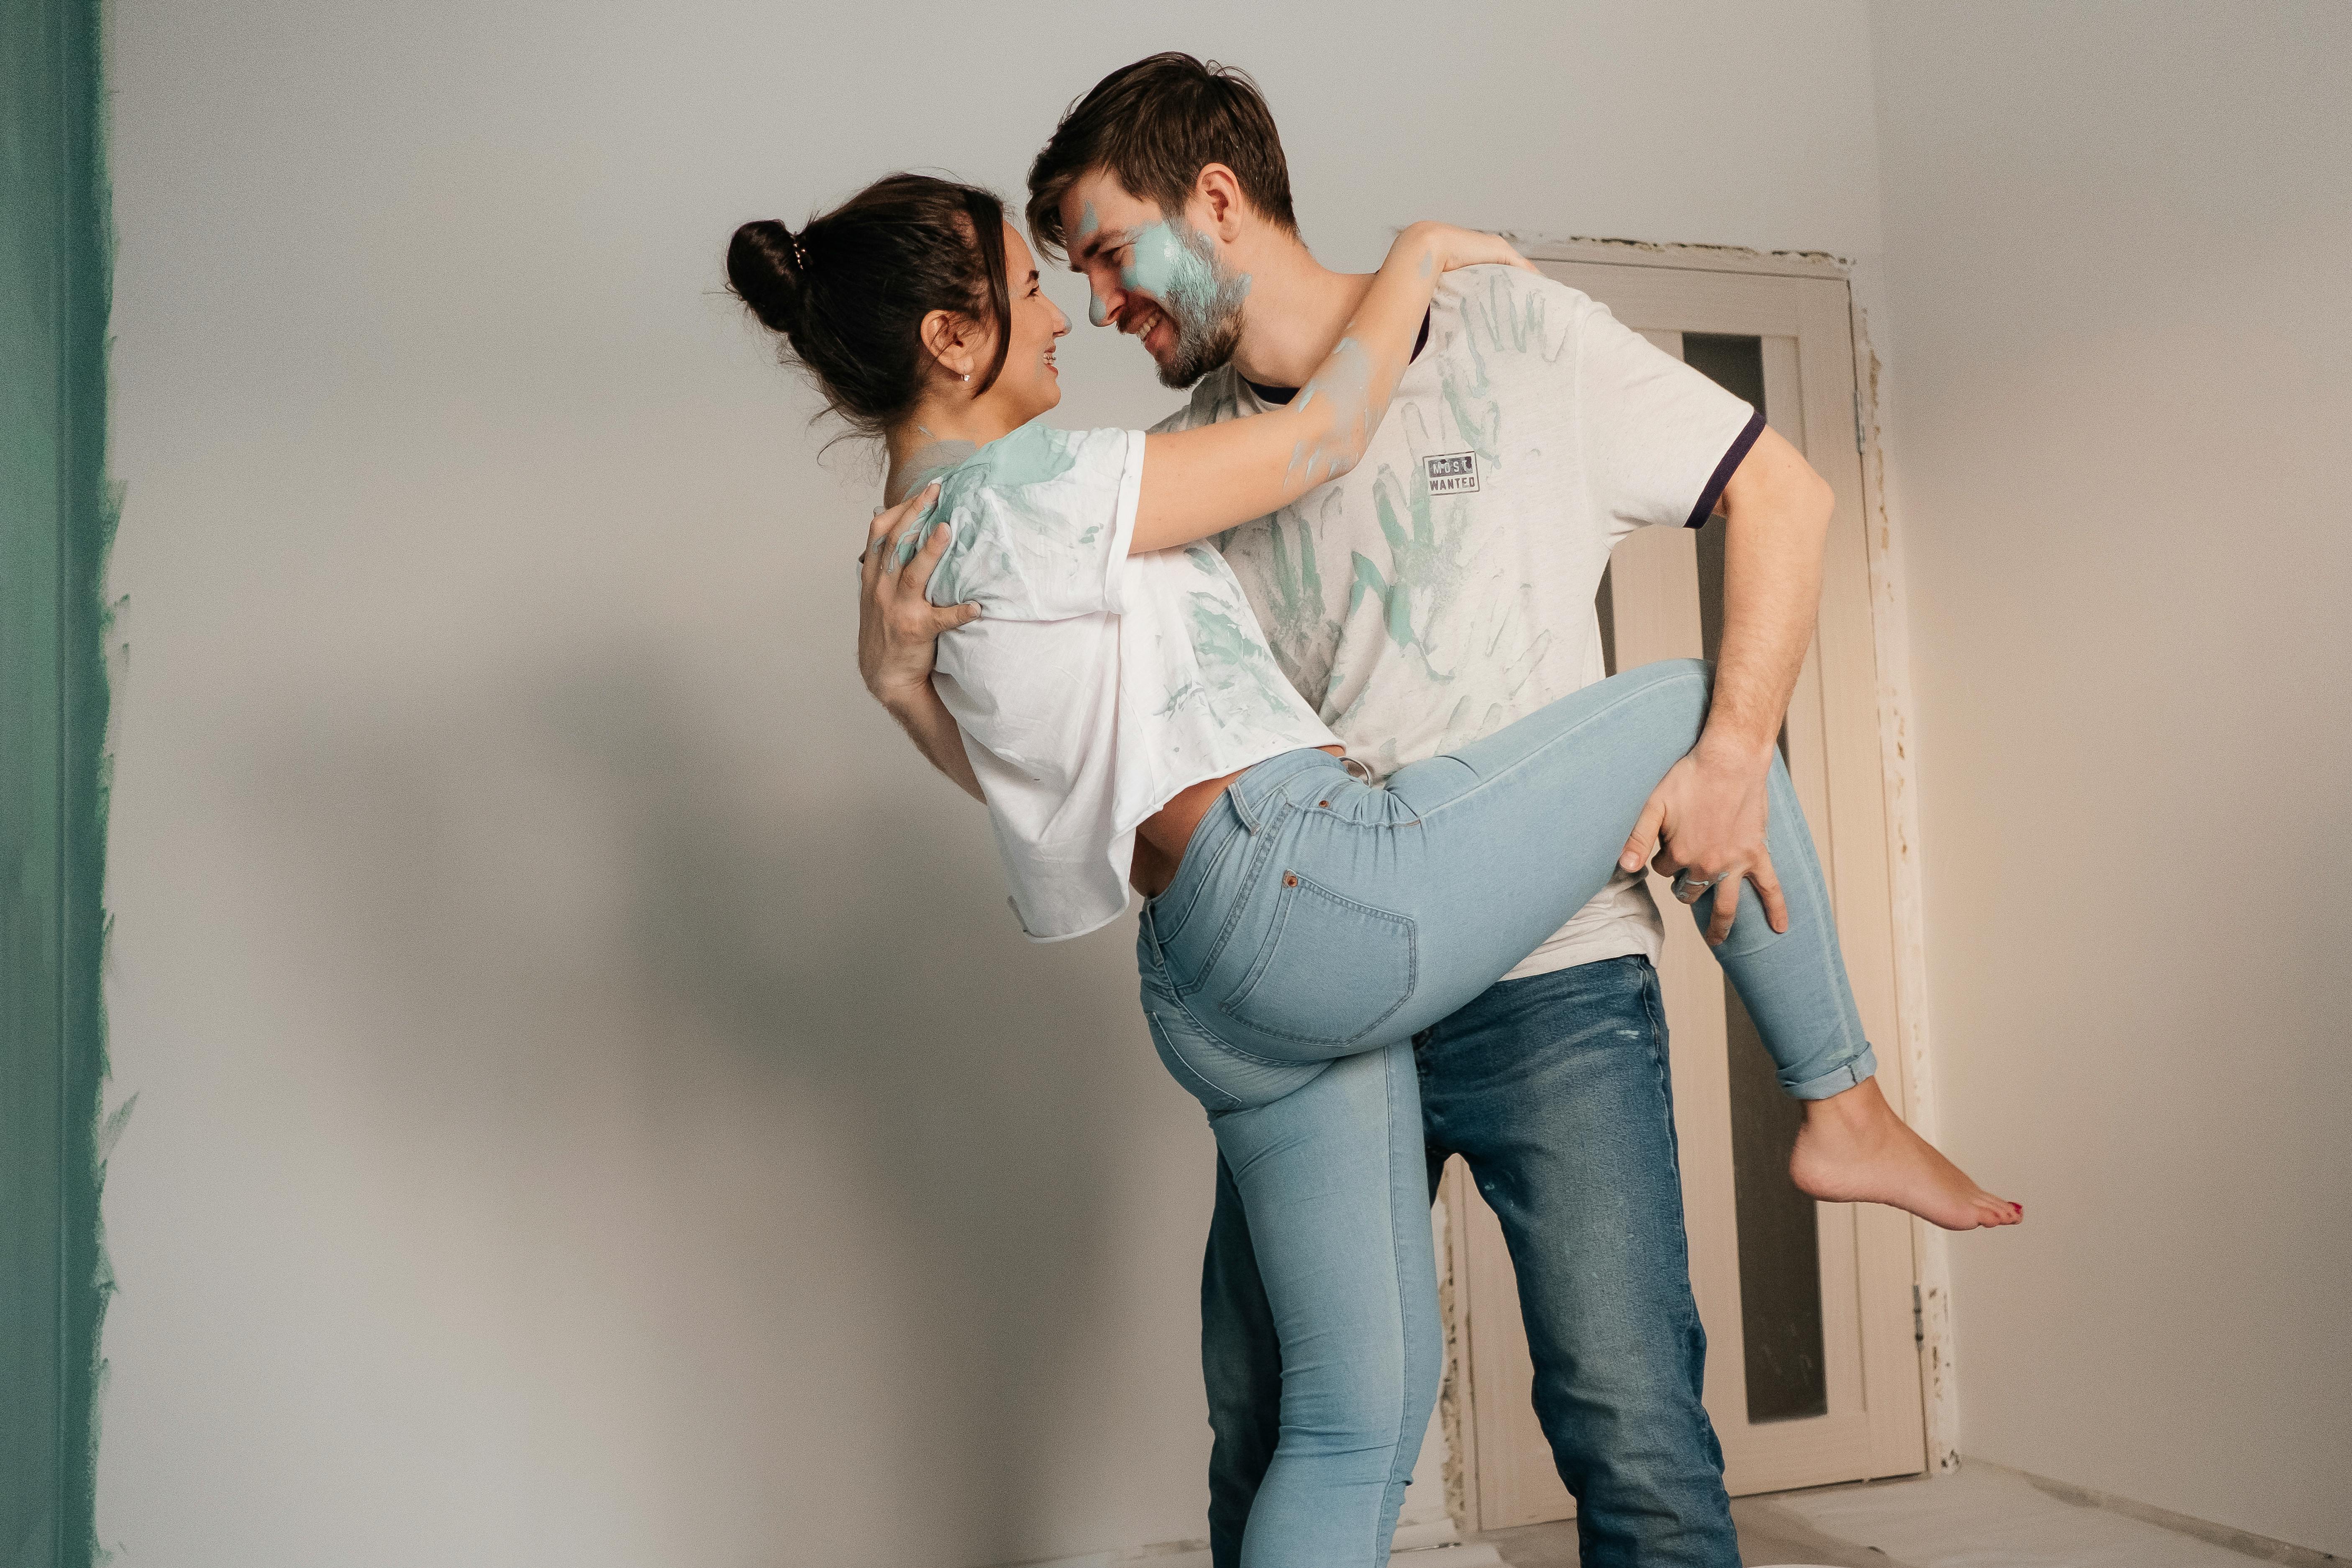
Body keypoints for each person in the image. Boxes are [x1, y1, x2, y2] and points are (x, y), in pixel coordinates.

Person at [844, 55, 2019, 1568]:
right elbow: (1128, 732)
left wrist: (1731, 754)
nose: (1092, 303)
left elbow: (1782, 496)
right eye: (1056, 277)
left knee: (1621, 1434)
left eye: (1109, 253)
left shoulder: (1500, 333)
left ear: (1217, 200)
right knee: (1280, 1425)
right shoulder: (1157, 470)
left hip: (1535, 976)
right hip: (1333, 946)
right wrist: (1420, 245)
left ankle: (1842, 1104)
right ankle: (1840, 1096)